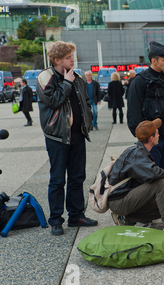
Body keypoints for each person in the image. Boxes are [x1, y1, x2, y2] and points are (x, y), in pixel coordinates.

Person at [37, 41, 97, 236]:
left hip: (77, 134)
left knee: (77, 177)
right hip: (57, 136)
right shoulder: (46, 77)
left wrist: (88, 117)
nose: (73, 59)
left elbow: (86, 101)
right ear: (57, 60)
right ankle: (55, 220)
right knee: (57, 179)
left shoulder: (76, 77)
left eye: (72, 56)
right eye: (68, 57)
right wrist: (67, 83)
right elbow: (54, 101)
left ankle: (76, 215)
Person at [108, 119, 164, 242]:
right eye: (157, 133)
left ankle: (126, 219)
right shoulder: (137, 154)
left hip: (122, 197)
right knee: (160, 184)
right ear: (151, 139)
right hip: (119, 201)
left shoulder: (139, 149)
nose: (159, 135)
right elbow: (156, 174)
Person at [127, 42, 164, 173]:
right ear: (154, 61)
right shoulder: (140, 81)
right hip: (149, 140)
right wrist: (145, 139)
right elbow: (133, 114)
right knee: (150, 177)